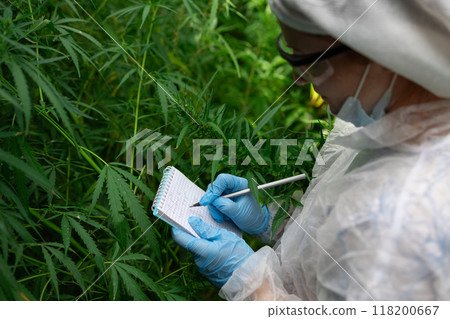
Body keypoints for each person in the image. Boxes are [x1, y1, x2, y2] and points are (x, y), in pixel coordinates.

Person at [172, 0, 450, 300]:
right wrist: (276, 221)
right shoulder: (377, 110)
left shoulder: (397, 220)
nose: (299, 78)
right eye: (291, 53)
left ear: (379, 51)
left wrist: (252, 286)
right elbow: (336, 242)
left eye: (313, 63)